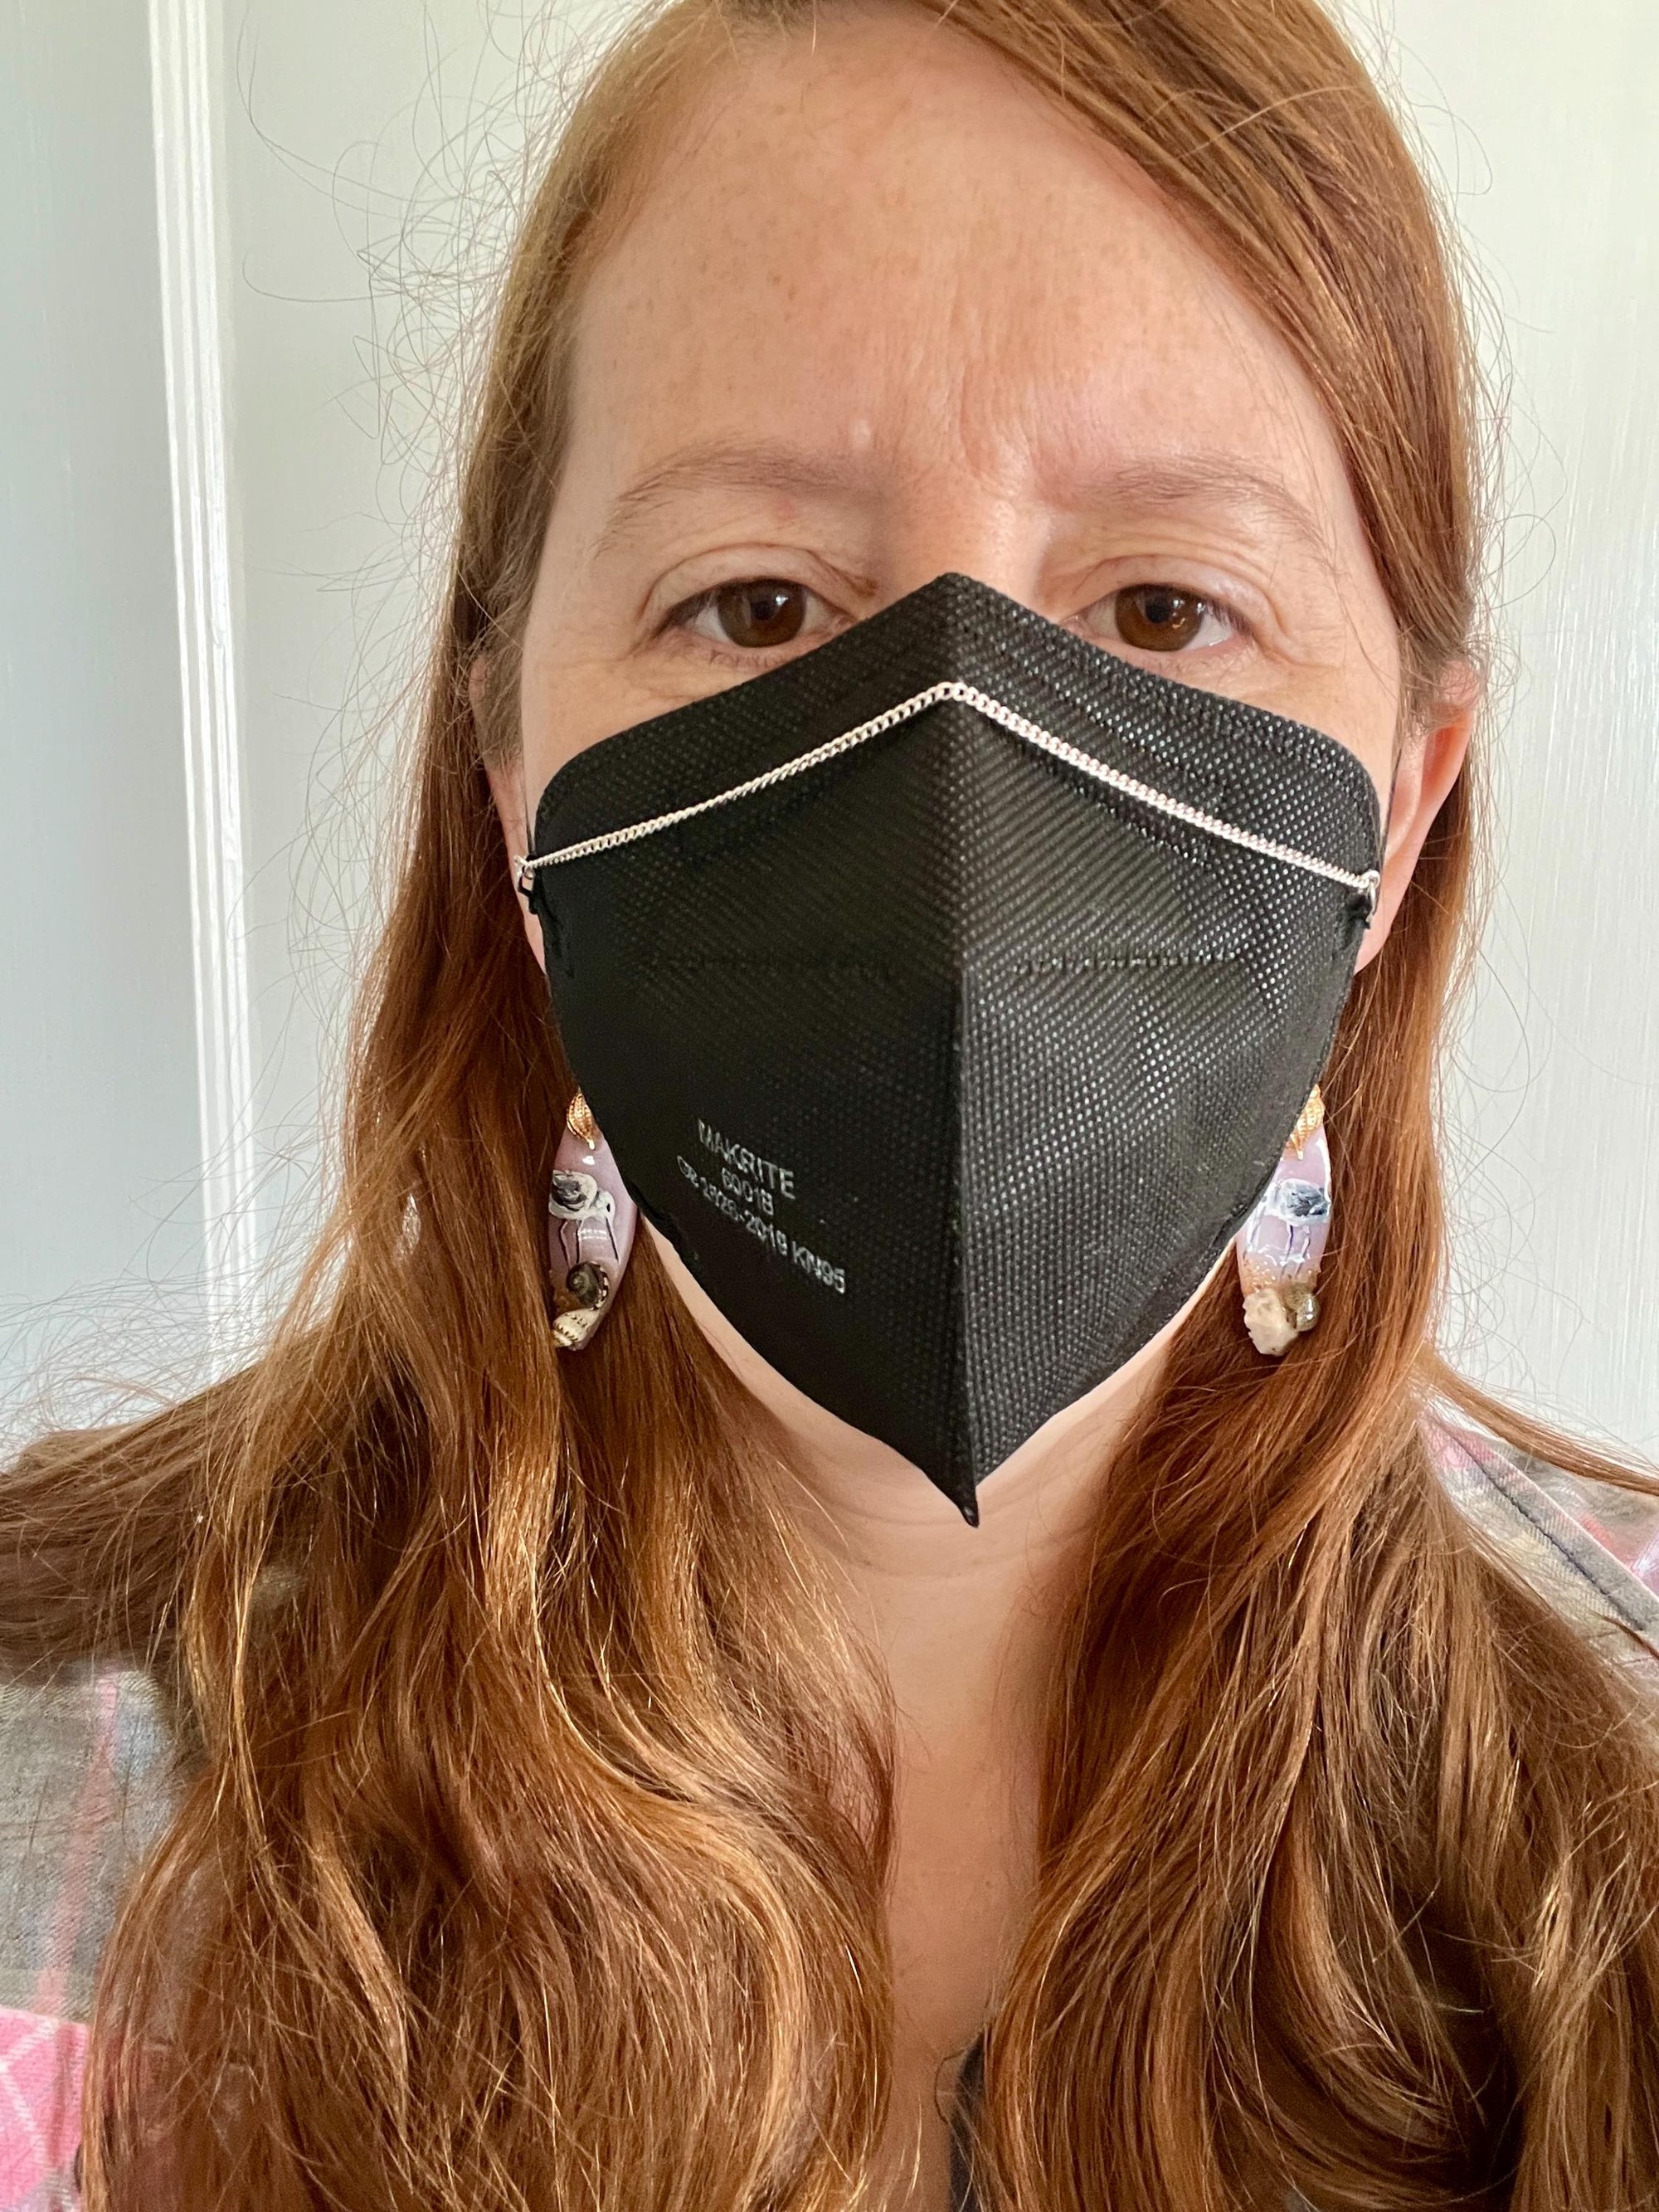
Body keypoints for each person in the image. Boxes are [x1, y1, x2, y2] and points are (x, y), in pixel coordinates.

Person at [4, 0, 1659, 2205]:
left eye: (1169, 609)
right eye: (758, 602)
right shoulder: (65, 1765)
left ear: (1402, 811)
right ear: (512, 781)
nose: (955, 846)